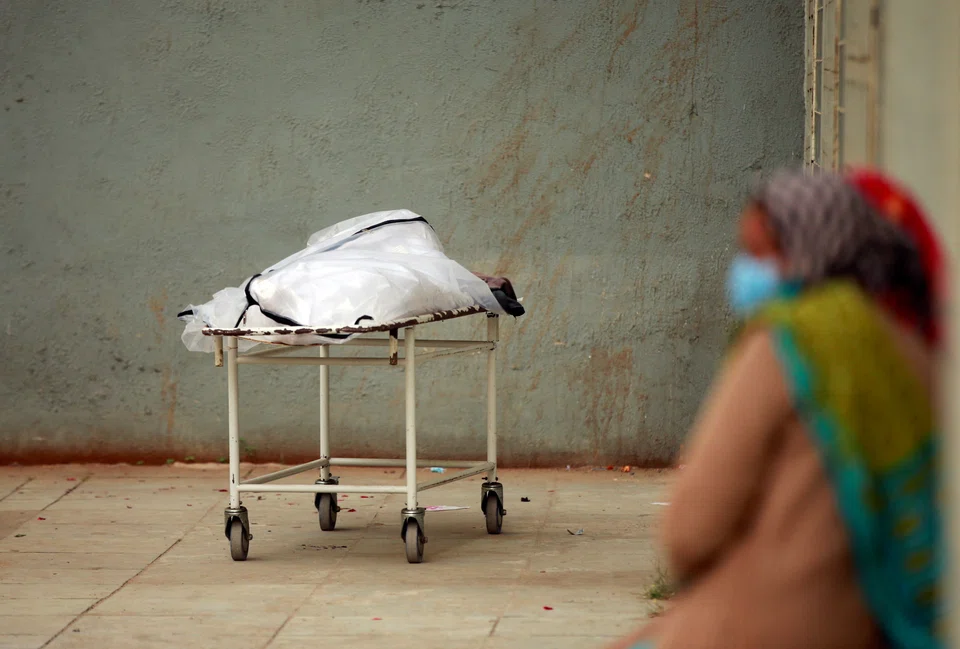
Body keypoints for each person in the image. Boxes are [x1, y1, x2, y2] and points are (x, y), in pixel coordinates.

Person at [608, 168, 945, 649]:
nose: (746, 270)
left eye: (759, 253)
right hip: (880, 623)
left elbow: (690, 530)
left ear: (811, 246)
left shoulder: (788, 343)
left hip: (762, 624)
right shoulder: (913, 354)